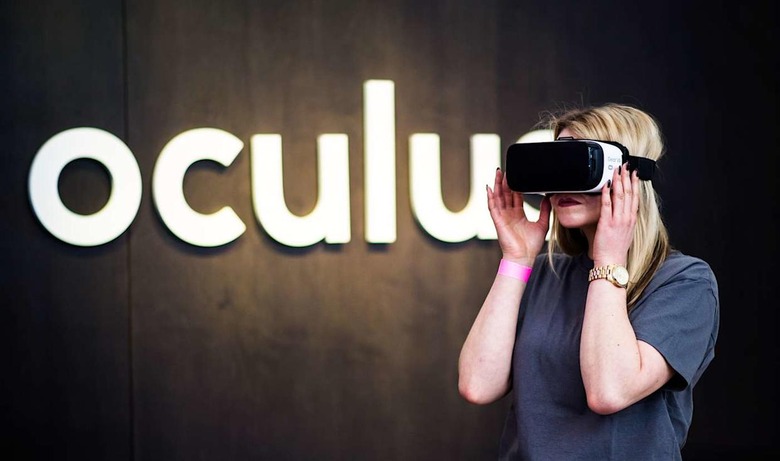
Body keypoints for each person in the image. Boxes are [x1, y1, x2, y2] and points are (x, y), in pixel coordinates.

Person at [458, 104, 719, 460]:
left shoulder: (685, 282)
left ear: (630, 175)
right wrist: (516, 259)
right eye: (557, 166)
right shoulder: (544, 275)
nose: (564, 184)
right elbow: (477, 385)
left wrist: (609, 260)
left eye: (579, 165)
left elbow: (609, 391)